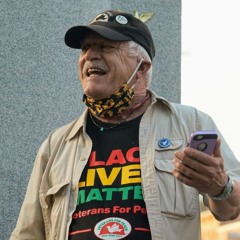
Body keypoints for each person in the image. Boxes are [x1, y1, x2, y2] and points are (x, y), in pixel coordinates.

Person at [10, 10, 240, 240]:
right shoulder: (56, 145)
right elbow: (27, 233)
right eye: (85, 48)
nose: (90, 56)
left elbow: (234, 210)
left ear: (142, 67)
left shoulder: (191, 123)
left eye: (105, 47)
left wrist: (220, 187)